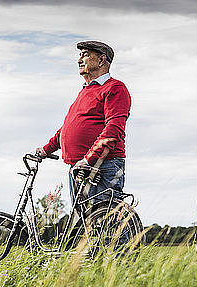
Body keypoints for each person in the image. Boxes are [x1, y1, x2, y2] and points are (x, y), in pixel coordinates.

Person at [36, 40, 131, 204]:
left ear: (101, 60)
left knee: (106, 223)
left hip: (102, 166)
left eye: (85, 55)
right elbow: (66, 129)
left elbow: (114, 129)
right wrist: (45, 150)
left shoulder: (115, 88)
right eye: (79, 55)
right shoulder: (85, 91)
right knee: (83, 225)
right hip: (79, 168)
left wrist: (89, 159)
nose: (79, 60)